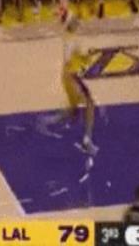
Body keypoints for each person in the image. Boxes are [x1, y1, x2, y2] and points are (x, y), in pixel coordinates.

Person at [37, 10, 99, 156]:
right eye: (74, 19)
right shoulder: (71, 40)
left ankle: (47, 121)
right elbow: (69, 59)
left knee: (74, 109)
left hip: (69, 76)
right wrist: (84, 58)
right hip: (70, 77)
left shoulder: (69, 37)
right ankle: (87, 141)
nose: (77, 21)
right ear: (71, 23)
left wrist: (85, 57)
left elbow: (76, 58)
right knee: (89, 104)